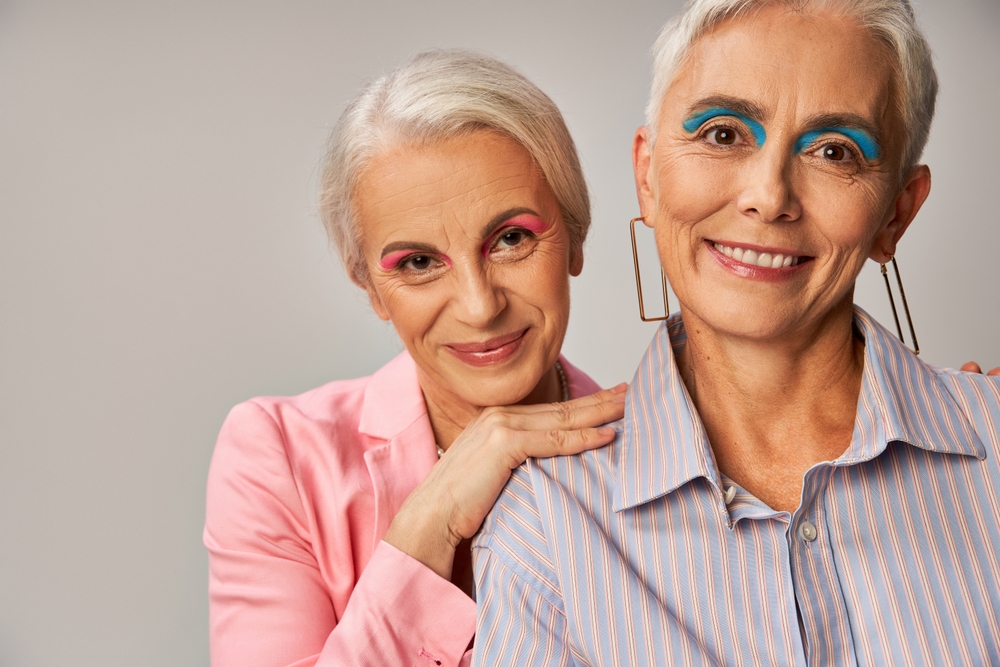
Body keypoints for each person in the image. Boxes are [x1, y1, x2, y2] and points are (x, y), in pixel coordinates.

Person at [473, 0, 1000, 664]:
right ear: (648, 175)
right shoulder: (547, 523)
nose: (769, 194)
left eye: (835, 150)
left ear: (896, 212)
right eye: (723, 133)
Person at [203, 51, 627, 667]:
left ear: (576, 237)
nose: (480, 307)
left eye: (511, 239)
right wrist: (431, 521)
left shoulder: (669, 462)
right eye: (419, 264)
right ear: (370, 287)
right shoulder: (279, 458)